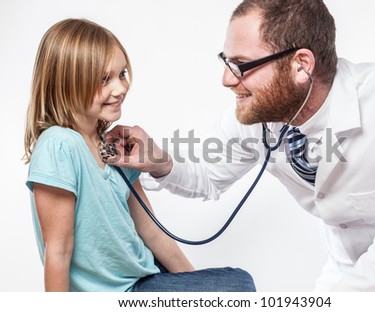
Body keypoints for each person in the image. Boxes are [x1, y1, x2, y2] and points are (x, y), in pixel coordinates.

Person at [105, 0, 375, 291]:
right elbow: (208, 175)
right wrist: (157, 161)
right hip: (346, 273)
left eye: (241, 65)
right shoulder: (262, 113)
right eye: (226, 62)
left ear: (301, 65)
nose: (226, 79)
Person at [23, 18, 256, 292]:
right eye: (103, 79)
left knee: (234, 288)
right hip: (122, 293)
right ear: (68, 83)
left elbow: (152, 232)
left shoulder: (111, 146)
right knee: (239, 286)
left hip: (146, 278)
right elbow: (58, 251)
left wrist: (196, 288)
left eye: (122, 74)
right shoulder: (59, 146)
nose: (120, 88)